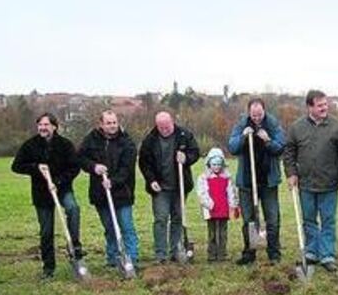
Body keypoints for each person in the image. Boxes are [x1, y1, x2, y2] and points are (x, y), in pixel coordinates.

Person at [283, 89, 338, 272]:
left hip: (329, 184)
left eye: (325, 104)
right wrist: (291, 173)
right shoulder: (297, 128)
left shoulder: (337, 127)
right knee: (308, 220)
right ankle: (311, 253)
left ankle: (327, 255)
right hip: (305, 184)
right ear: (309, 107)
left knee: (328, 220)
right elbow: (289, 152)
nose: (325, 108)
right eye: (320, 105)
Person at [11, 113, 84, 279]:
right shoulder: (30, 145)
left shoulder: (65, 145)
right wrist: (36, 168)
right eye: (40, 125)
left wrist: (58, 181)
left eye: (46, 125)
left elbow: (74, 167)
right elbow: (16, 166)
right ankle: (48, 267)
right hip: (41, 194)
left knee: (73, 209)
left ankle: (74, 246)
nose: (43, 128)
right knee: (46, 231)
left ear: (54, 127)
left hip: (63, 189)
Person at [228, 98, 286, 265]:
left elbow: (281, 147)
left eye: (259, 114)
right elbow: (232, 147)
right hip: (247, 181)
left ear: (264, 111)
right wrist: (243, 137)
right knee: (249, 220)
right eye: (254, 115)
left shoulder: (273, 124)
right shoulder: (241, 124)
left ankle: (274, 253)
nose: (257, 118)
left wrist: (267, 140)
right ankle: (250, 253)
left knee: (272, 218)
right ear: (249, 112)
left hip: (268, 180)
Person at [78, 110, 139, 268]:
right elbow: (80, 158)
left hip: (122, 192)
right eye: (108, 123)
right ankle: (113, 258)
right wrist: (94, 167)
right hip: (100, 193)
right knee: (109, 228)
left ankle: (131, 259)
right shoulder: (92, 139)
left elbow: (127, 168)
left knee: (126, 227)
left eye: (114, 122)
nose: (112, 126)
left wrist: (113, 181)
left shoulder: (127, 142)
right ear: (101, 124)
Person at [138, 110, 199, 263]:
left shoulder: (184, 135)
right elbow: (144, 163)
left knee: (178, 217)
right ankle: (160, 254)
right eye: (161, 128)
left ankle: (176, 250)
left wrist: (186, 158)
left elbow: (195, 152)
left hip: (180, 186)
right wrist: (151, 180)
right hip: (160, 188)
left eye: (167, 127)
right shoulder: (150, 140)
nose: (165, 130)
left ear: (172, 122)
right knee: (161, 218)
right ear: (157, 125)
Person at [196, 148, 239, 262]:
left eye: (219, 164)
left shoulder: (227, 178)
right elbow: (202, 193)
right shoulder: (204, 178)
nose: (216, 167)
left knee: (223, 232)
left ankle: (222, 253)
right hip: (212, 210)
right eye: (214, 164)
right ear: (209, 163)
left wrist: (234, 205)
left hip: (223, 209)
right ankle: (211, 254)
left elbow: (231, 192)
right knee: (212, 233)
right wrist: (209, 204)